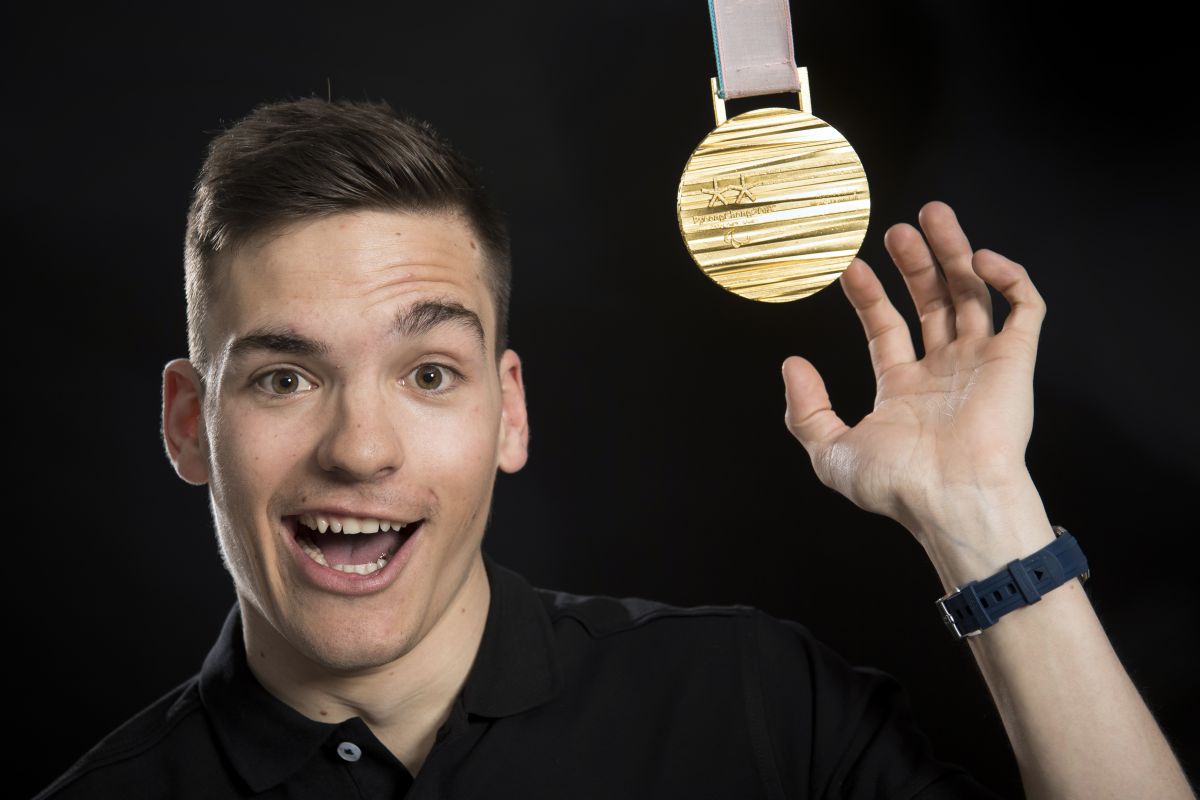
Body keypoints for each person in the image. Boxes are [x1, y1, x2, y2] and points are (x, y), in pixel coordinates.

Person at [33, 97, 1194, 800]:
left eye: (429, 372)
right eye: (286, 377)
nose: (362, 446)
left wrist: (981, 509)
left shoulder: (749, 702)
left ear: (511, 410)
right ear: (190, 422)